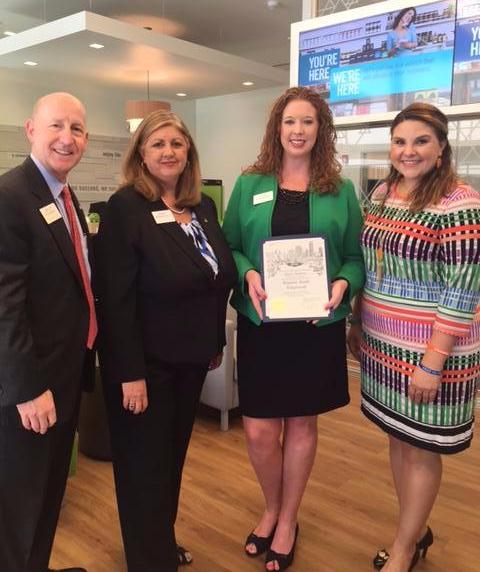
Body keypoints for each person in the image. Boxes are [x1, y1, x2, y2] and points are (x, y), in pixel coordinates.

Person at [222, 86, 365, 571]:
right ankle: (271, 505)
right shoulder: (250, 184)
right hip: (262, 323)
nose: (298, 130)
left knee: (302, 424)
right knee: (259, 430)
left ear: (321, 129)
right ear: (276, 129)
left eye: (307, 121)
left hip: (315, 325)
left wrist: (343, 283)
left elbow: (354, 258)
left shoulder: (340, 190)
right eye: (289, 121)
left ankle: (287, 519)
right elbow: (230, 247)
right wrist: (247, 273)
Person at [97, 110, 237, 572]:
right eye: (157, 144)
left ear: (188, 152)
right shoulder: (125, 208)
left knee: (170, 462)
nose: (168, 152)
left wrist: (214, 341)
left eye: (177, 143)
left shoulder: (203, 208)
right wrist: (130, 374)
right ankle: (149, 559)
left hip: (190, 362)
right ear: (140, 153)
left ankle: (159, 543)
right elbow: (115, 300)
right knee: (144, 470)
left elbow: (215, 278)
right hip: (146, 367)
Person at [348, 102, 480, 572]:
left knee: (422, 448)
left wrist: (432, 362)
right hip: (383, 344)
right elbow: (369, 265)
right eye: (400, 141)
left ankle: (404, 549)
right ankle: (416, 529)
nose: (409, 151)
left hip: (432, 351)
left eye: (421, 141)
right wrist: (356, 321)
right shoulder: (383, 192)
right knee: (400, 438)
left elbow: (463, 287)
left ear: (441, 148)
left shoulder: (459, 201)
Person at [0, 92, 95, 572]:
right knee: (19, 511)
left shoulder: (64, 196)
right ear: (31, 130)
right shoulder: (10, 196)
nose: (67, 138)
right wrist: (28, 389)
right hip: (30, 390)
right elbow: (4, 305)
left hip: (63, 377)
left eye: (76, 129)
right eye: (56, 125)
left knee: (48, 496)